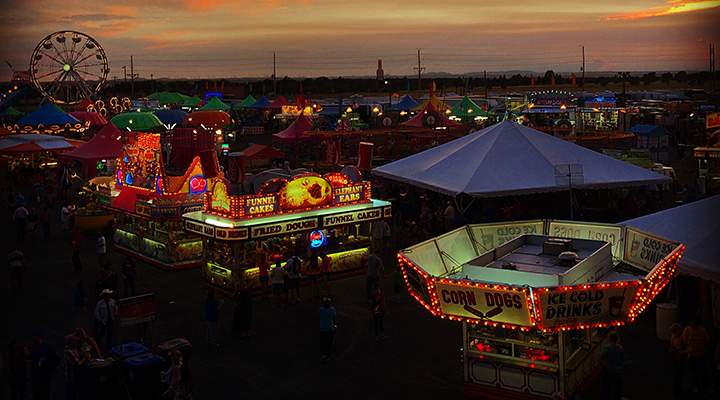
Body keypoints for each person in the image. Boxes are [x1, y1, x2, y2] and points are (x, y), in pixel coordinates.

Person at [681, 316, 711, 393]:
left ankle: (705, 387)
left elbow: (706, 341)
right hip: (691, 354)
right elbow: (684, 341)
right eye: (691, 322)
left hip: (701, 353)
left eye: (694, 322)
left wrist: (705, 349)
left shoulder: (702, 331)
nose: (692, 324)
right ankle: (695, 386)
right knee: (693, 371)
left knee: (703, 371)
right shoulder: (687, 330)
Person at [28, 332, 57, 400]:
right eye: (33, 338)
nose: (34, 340)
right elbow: (30, 358)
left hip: (45, 372)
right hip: (35, 373)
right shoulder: (32, 349)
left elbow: (53, 357)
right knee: (36, 392)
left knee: (45, 391)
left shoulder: (47, 346)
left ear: (40, 338)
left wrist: (46, 360)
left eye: (35, 338)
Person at [62, 336, 90, 400]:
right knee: (71, 394)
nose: (77, 342)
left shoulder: (70, 348)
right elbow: (78, 363)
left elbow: (77, 354)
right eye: (75, 341)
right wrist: (85, 358)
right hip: (71, 376)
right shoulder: (69, 352)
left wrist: (83, 353)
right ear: (72, 342)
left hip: (71, 375)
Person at [600, 331, 623, 400]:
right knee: (617, 390)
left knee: (606, 390)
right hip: (618, 372)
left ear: (611, 339)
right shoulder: (620, 348)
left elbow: (601, 356)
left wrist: (603, 365)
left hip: (609, 371)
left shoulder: (607, 347)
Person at [669, 323, 688, 399]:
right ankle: (678, 392)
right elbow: (680, 351)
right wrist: (688, 351)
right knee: (679, 376)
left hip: (675, 359)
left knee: (677, 375)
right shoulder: (677, 340)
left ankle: (677, 390)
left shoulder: (672, 338)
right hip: (679, 359)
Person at [318, 298, 336, 362]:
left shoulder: (321, 310)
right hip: (330, 328)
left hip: (323, 328)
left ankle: (323, 354)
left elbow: (319, 317)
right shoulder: (332, 309)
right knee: (329, 342)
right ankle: (328, 355)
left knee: (323, 341)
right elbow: (334, 317)